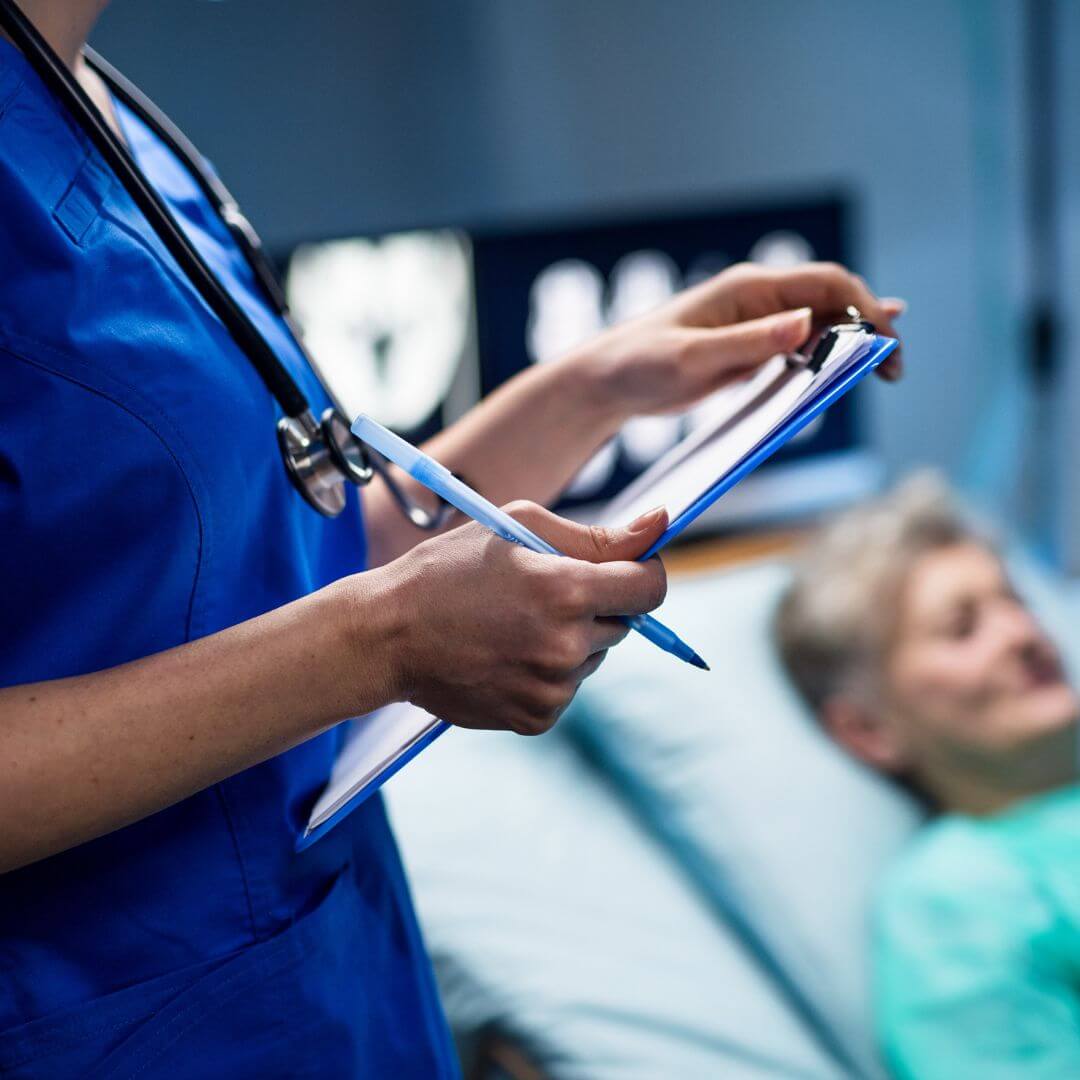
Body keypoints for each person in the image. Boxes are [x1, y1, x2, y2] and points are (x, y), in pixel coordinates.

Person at [0, 1, 904, 1076]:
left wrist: (594, 389)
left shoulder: (94, 101)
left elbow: (292, 569)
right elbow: (343, 623)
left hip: (332, 994)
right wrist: (374, 645)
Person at [774, 475, 1080, 1080]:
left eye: (1016, 602)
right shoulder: (958, 900)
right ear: (868, 730)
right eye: (963, 628)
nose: (1023, 634)